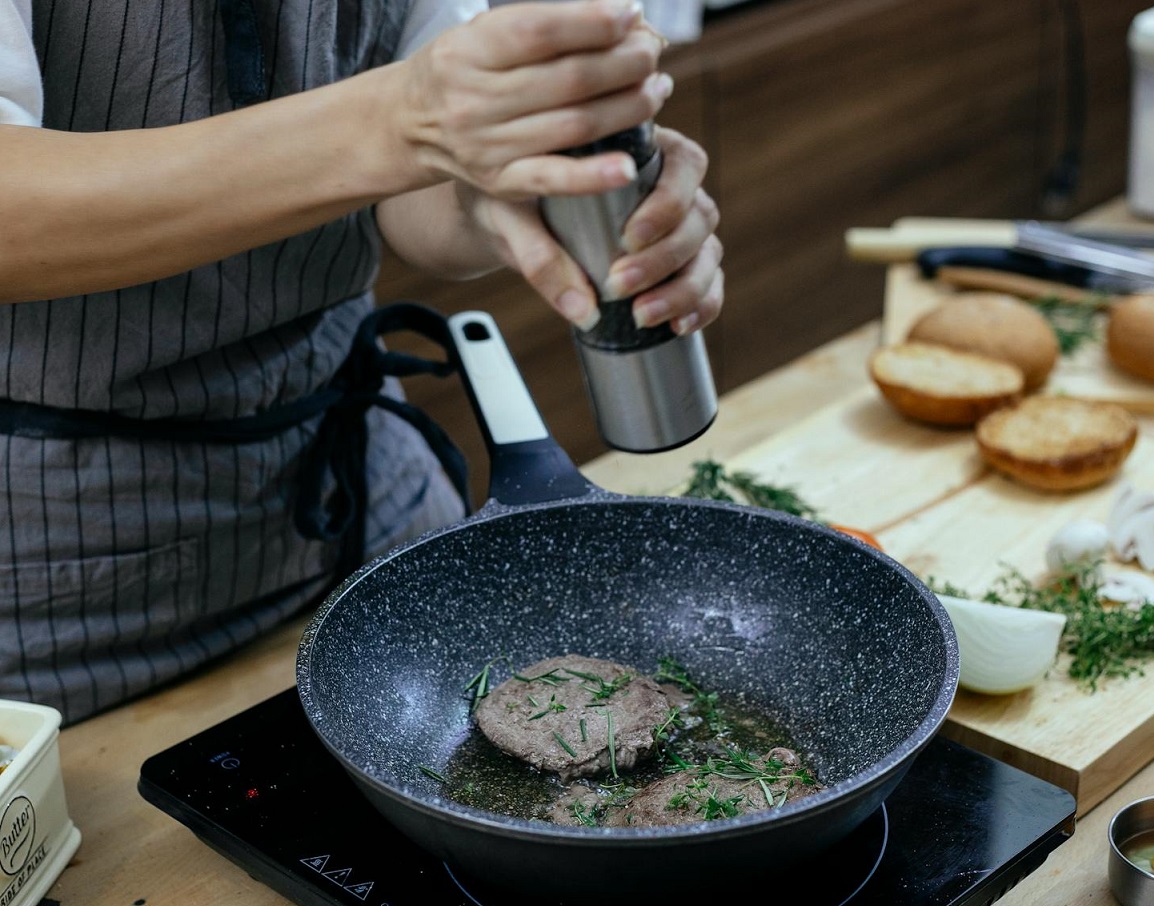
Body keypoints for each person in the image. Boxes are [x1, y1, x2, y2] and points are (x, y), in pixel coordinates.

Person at [0, 0, 724, 724]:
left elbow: (417, 197)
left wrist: (501, 193)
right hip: (63, 601)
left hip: (365, 504)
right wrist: (401, 120)